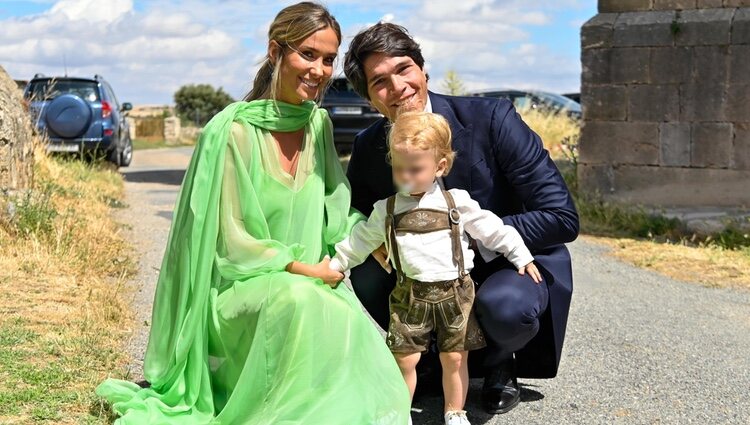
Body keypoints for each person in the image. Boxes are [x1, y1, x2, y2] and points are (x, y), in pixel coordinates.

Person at [95, 3, 411, 424]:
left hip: (309, 281)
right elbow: (231, 242)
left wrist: (373, 239)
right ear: (275, 52)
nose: (319, 70)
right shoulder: (231, 131)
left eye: (329, 59)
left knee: (339, 320)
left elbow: (336, 207)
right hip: (241, 291)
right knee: (299, 298)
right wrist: (300, 268)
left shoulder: (318, 126)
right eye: (308, 54)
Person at [343, 23, 580, 415]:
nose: (398, 86)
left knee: (506, 308)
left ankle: (499, 360)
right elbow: (355, 215)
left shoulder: (493, 118)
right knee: (366, 267)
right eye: (380, 81)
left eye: (404, 69)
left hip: (500, 266)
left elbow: (561, 217)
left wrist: (462, 237)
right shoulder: (369, 147)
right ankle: (430, 355)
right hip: (423, 282)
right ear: (370, 99)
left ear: (423, 70)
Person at [328, 111, 542, 425]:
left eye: (415, 170)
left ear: (439, 166)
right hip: (409, 295)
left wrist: (520, 255)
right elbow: (359, 241)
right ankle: (399, 411)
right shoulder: (386, 209)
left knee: (454, 358)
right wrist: (336, 265)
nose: (405, 178)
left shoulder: (456, 203)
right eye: (399, 169)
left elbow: (493, 230)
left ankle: (455, 411)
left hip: (454, 294)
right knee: (405, 358)